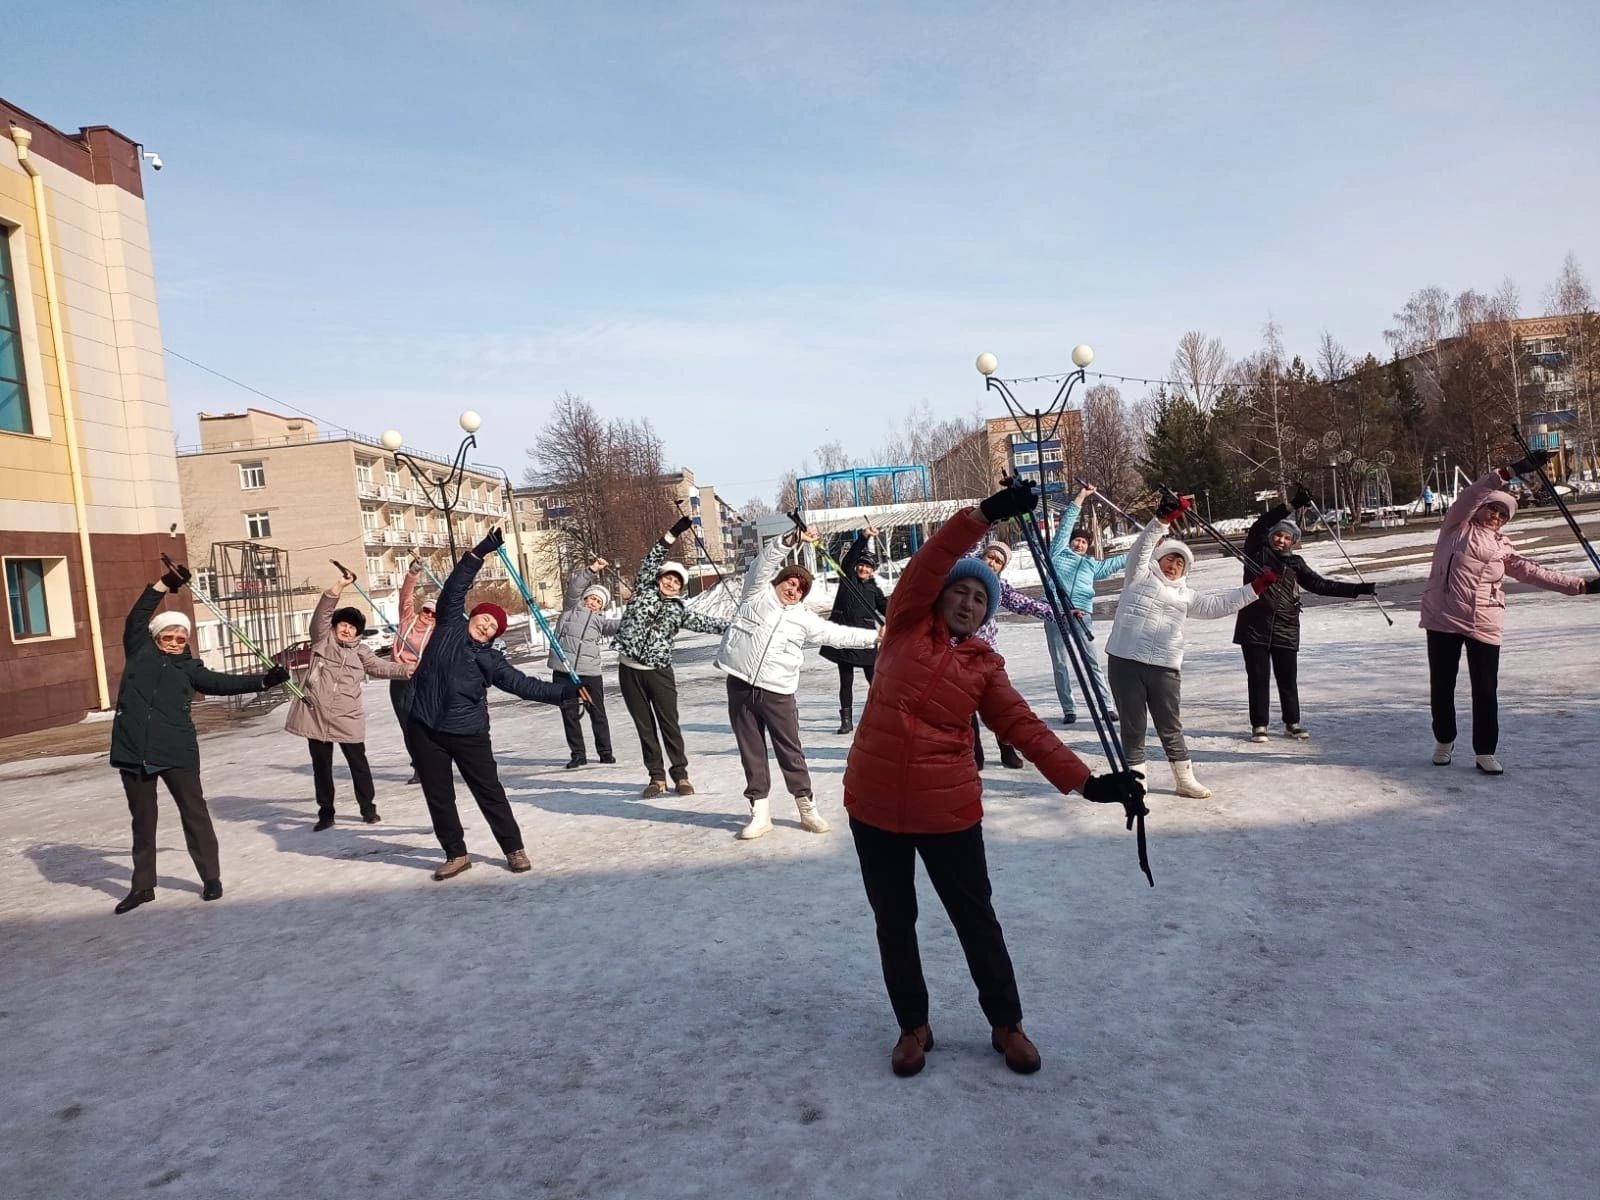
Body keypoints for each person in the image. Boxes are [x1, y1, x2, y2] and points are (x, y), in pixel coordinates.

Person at [844, 484, 1146, 1078]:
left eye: (979, 599)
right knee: (893, 921)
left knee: (975, 919)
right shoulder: (904, 626)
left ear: (989, 613)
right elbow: (931, 558)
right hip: (874, 807)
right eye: (958, 590)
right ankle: (913, 1027)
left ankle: (1006, 1024)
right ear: (937, 597)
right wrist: (981, 516)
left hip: (947, 812)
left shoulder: (984, 668)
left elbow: (1027, 730)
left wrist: (1088, 783)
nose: (967, 602)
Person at [108, 561, 290, 914]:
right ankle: (143, 887)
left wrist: (264, 681)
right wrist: (164, 584)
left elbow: (223, 683)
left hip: (176, 753)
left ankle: (211, 878)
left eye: (181, 638)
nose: (175, 642)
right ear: (156, 637)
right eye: (168, 636)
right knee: (143, 823)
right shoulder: (139, 652)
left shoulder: (191, 669)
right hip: (133, 752)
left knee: (195, 814)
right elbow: (138, 615)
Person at [407, 529, 580, 880]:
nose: (487, 626)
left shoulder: (490, 660)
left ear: (493, 637)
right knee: (438, 796)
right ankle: (455, 853)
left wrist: (564, 693)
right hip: (425, 724)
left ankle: (513, 848)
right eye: (485, 619)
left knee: (489, 792)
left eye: (492, 628)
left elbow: (522, 685)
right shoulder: (448, 627)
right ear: (473, 616)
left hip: (468, 732)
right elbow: (456, 586)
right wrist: (481, 551)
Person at [1420, 452, 1598, 774]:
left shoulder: (1503, 547)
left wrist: (1581, 586)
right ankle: (1444, 740)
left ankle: (1485, 751)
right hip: (1443, 617)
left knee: (1486, 689)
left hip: (1485, 620)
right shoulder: (1456, 526)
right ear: (1482, 507)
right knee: (1442, 685)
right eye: (1494, 508)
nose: (1497, 516)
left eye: (1504, 514)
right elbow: (1469, 494)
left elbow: (1533, 571)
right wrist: (1510, 472)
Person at [715, 527, 880, 839]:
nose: (794, 590)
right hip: (739, 685)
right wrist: (789, 540)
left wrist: (875, 637)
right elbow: (762, 563)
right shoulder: (755, 596)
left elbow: (838, 633)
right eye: (790, 583)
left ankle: (806, 807)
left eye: (800, 588)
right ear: (779, 582)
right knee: (751, 751)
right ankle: (760, 812)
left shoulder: (803, 618)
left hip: (778, 691)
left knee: (790, 751)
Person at [1104, 493, 1268, 799]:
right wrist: (1162, 520)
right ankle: (1136, 781)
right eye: (1169, 558)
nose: (1173, 565)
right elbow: (1141, 549)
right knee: (1133, 724)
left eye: (1180, 562)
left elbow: (1218, 605)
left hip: (1165, 666)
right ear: (1159, 559)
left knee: (1170, 725)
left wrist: (1254, 589)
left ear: (1185, 570)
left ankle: (1184, 779)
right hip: (1125, 660)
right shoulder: (1138, 576)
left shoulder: (1186, 596)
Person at [1234, 487, 1376, 742]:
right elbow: (1259, 525)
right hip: (1254, 626)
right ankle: (1260, 725)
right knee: (1258, 677)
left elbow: (1321, 585)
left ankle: (1292, 722)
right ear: (1270, 537)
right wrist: (1292, 505)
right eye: (1277, 535)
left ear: (1293, 542)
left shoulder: (1296, 563)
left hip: (1286, 626)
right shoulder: (1256, 554)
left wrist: (1358, 589)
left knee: (1288, 678)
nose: (1281, 540)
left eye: (1286, 538)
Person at [284, 569, 414, 829]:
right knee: (321, 766)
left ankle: (368, 808)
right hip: (316, 713)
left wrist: (409, 669)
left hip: (347, 716)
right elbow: (321, 615)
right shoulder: (322, 641)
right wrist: (338, 587)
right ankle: (326, 812)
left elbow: (382, 667)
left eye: (352, 627)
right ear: (335, 626)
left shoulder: (361, 652)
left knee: (359, 764)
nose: (346, 629)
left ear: (358, 632)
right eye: (343, 624)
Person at [614, 516, 730, 797]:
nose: (671, 583)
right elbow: (653, 557)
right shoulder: (643, 589)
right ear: (659, 578)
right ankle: (656, 777)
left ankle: (680, 775)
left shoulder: (679, 611)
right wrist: (673, 533)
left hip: (659, 672)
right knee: (645, 727)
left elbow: (710, 624)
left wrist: (740, 626)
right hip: (629, 670)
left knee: (669, 724)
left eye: (677, 582)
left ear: (681, 588)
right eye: (668, 577)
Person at [964, 538, 1058, 770]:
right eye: (990, 557)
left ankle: (1007, 749)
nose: (992, 563)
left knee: (998, 704)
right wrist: (986, 521)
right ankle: (975, 754)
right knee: (965, 707)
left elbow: (1023, 603)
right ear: (982, 554)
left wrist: (1058, 612)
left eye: (998, 561)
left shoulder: (998, 585)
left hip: (987, 654)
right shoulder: (965, 572)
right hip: (960, 651)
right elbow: (962, 548)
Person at [1045, 484, 1128, 724]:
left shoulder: (1092, 565)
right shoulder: (1058, 553)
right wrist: (1081, 497)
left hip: (1082, 615)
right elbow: (1067, 524)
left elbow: (1121, 561)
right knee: (1060, 662)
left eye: (1083, 542)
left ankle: (1107, 706)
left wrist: (1149, 545)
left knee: (1091, 661)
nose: (1079, 544)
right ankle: (1069, 708)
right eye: (1076, 541)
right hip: (1056, 612)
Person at [551, 557, 623, 770]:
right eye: (591, 599)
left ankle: (605, 752)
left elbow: (619, 625)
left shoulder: (600, 622)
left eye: (598, 602)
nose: (593, 603)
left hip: (589, 672)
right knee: (569, 713)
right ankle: (578, 754)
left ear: (602, 607)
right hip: (564, 670)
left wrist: (639, 617)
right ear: (584, 599)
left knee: (597, 712)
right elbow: (575, 587)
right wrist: (593, 569)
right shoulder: (570, 609)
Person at [820, 525, 887, 734]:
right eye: (861, 565)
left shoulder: (874, 590)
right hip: (845, 638)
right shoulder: (847, 579)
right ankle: (846, 721)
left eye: (868, 567)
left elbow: (888, 610)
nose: (863, 569)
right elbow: (850, 558)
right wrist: (864, 537)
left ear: (873, 570)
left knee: (874, 681)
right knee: (845, 681)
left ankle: (883, 715)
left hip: (866, 641)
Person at [390, 560, 438, 784]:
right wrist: (413, 573)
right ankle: (419, 766)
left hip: (420, 681)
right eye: (426, 610)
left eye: (432, 613)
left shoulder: (435, 631)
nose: (428, 615)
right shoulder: (407, 620)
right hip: (399, 679)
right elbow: (405, 596)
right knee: (407, 725)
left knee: (424, 722)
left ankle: (434, 761)